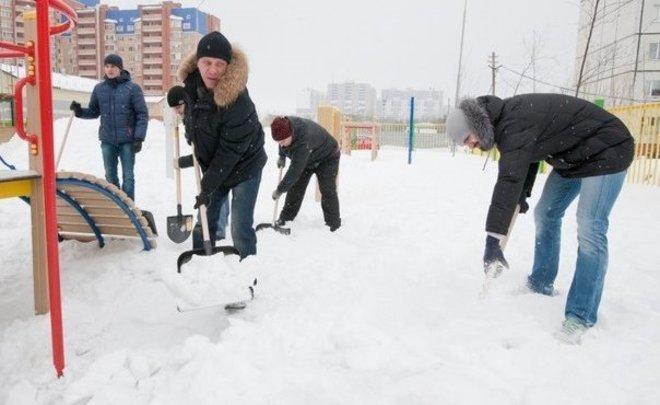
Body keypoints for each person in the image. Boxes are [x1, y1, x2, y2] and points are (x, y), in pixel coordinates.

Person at [445, 93, 634, 343]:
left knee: (590, 228)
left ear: (476, 126)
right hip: (574, 156)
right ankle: (542, 282)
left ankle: (580, 316)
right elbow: (529, 155)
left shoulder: (512, 123)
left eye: (467, 139)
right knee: (546, 213)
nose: (470, 146)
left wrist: (493, 240)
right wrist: (522, 194)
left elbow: (509, 178)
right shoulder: (504, 122)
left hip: (607, 149)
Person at [177, 31, 266, 259]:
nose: (213, 70)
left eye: (219, 64)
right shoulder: (191, 90)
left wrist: (207, 187)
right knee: (204, 220)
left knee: (240, 227)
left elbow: (231, 151)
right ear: (197, 63)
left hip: (245, 167)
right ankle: (199, 265)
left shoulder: (239, 102)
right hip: (215, 165)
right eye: (207, 62)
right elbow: (195, 127)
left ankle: (245, 270)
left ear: (228, 66)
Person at [70, 54, 148, 201]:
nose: (109, 69)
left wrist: (139, 137)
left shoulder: (133, 89)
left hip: (127, 140)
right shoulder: (99, 89)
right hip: (108, 140)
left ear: (120, 68)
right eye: (107, 66)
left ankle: (129, 209)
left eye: (113, 66)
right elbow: (94, 112)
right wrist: (80, 112)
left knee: (128, 178)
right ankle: (117, 206)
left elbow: (142, 114)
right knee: (110, 177)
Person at [167, 86, 230, 240]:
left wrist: (183, 161)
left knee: (215, 192)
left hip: (216, 159)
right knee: (220, 192)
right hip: (210, 159)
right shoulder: (188, 115)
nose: (177, 111)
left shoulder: (195, 114)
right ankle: (219, 225)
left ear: (185, 102)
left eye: (178, 107)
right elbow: (195, 145)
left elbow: (201, 149)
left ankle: (218, 231)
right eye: (174, 109)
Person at [270, 116, 341, 232]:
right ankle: (286, 218)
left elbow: (294, 170)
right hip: (309, 157)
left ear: (291, 134)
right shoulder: (284, 126)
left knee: (327, 190)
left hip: (327, 157)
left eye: (283, 141)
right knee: (295, 189)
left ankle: (333, 224)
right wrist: (282, 156)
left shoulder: (303, 140)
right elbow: (282, 140)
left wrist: (280, 190)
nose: (281, 145)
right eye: (279, 142)